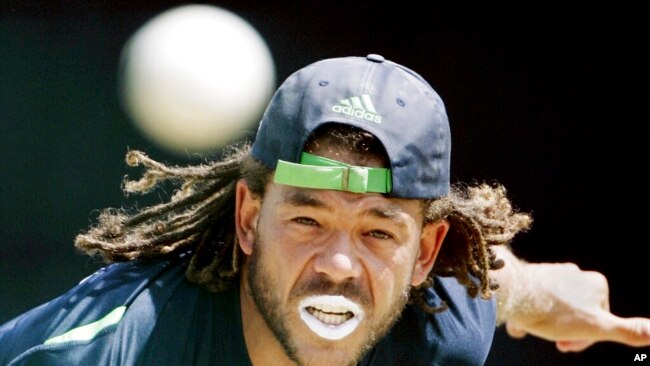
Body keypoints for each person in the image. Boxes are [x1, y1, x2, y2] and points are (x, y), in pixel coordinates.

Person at [1, 54, 648, 366]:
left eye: (376, 230)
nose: (338, 265)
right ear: (249, 219)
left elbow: (484, 279)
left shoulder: (438, 332)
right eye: (307, 220)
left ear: (424, 253)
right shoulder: (109, 349)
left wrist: (543, 290)